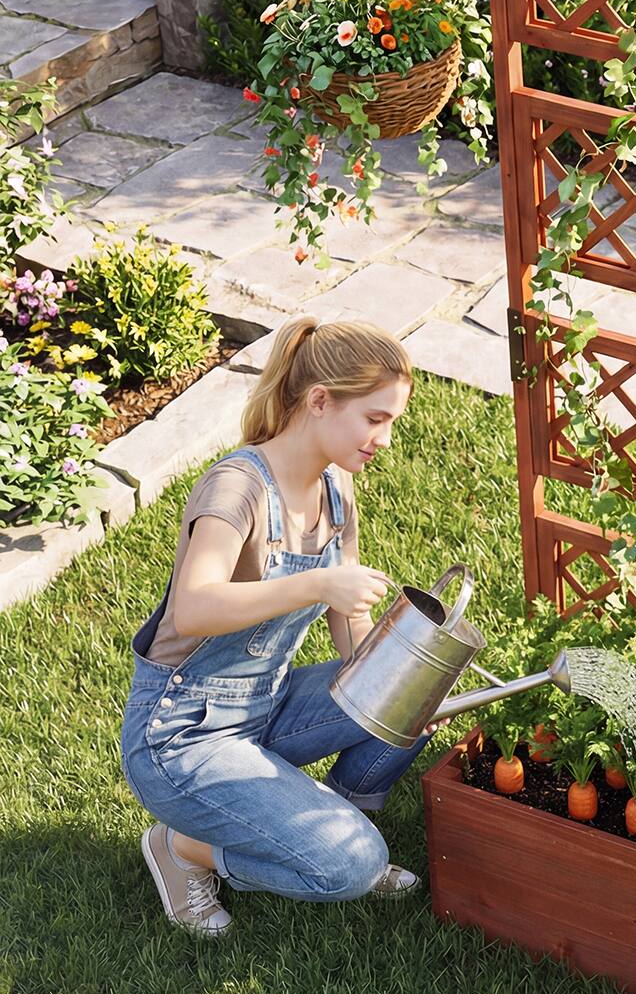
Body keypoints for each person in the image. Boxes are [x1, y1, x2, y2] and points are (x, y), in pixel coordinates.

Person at [120, 316, 439, 937]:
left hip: (265, 706)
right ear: (319, 401)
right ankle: (183, 847)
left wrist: (395, 688)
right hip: (182, 734)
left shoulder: (336, 487)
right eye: (375, 418)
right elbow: (194, 607)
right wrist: (318, 584)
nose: (386, 439)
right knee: (352, 868)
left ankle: (325, 824)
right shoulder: (237, 488)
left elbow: (350, 623)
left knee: (411, 692)